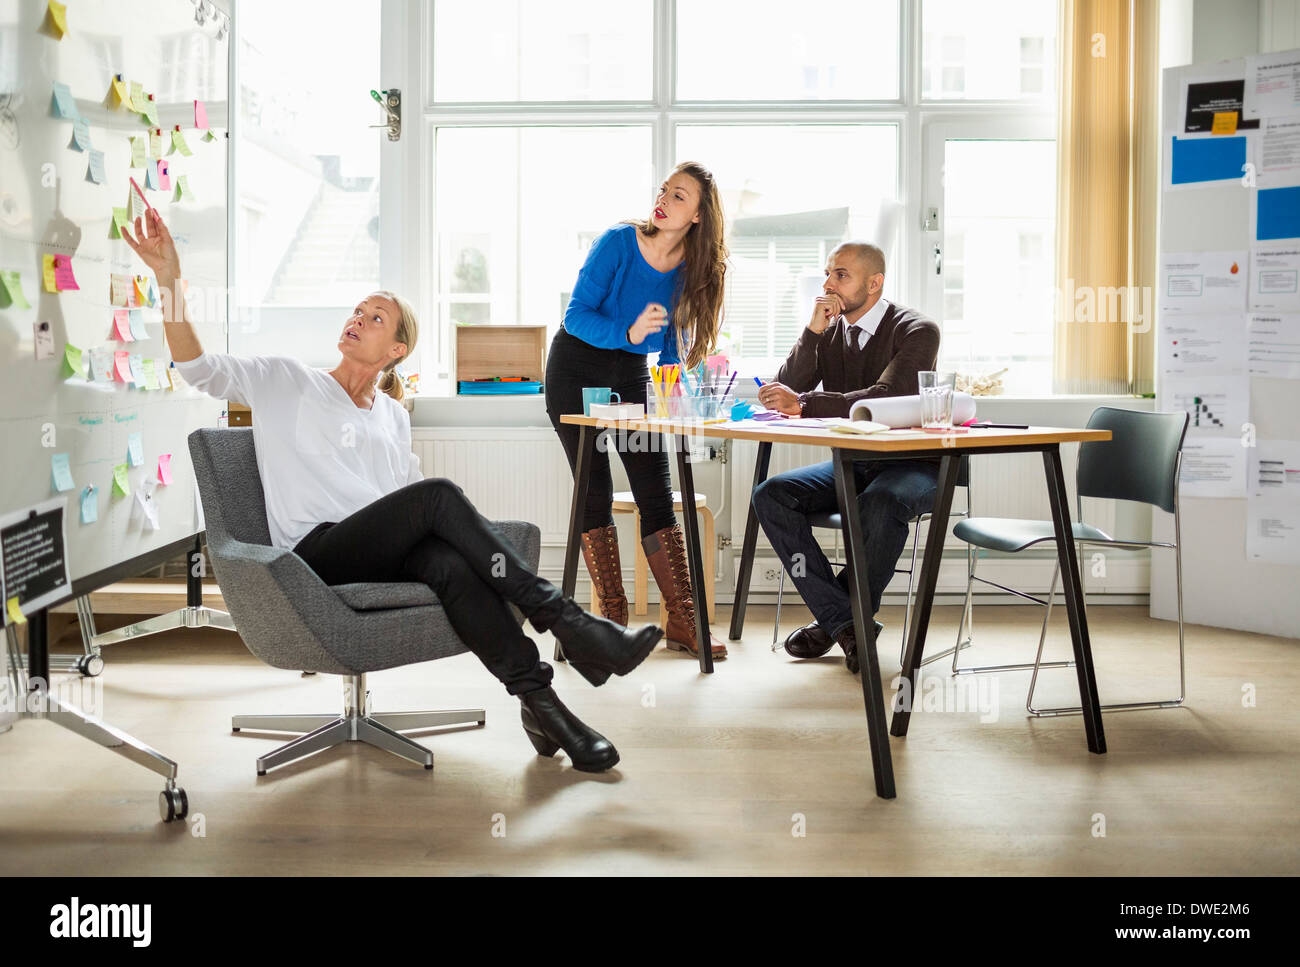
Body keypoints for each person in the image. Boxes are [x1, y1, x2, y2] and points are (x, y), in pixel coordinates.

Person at [121, 207, 662, 773]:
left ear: (397, 350)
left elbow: (410, 508)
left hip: (382, 552)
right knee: (437, 496)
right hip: (315, 554)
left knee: (448, 564)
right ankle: (571, 624)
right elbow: (198, 369)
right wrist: (169, 278)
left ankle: (544, 706)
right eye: (357, 311)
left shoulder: (391, 416)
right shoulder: (287, 380)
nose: (358, 318)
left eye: (375, 317)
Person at [544, 161, 730, 660]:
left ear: (697, 216)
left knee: (655, 487)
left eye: (680, 196)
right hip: (575, 370)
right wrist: (626, 333)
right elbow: (576, 314)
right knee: (595, 488)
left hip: (628, 375)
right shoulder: (618, 242)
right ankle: (611, 619)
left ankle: (684, 621)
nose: (665, 199)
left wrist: (672, 393)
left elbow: (671, 341)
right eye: (665, 190)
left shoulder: (691, 269)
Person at [751, 241, 940, 672]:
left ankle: (835, 623)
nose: (827, 284)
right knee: (771, 496)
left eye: (841, 275)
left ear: (875, 284)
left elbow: (887, 398)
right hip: (854, 462)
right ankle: (848, 625)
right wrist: (813, 332)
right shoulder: (832, 330)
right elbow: (788, 386)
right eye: (828, 273)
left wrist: (806, 403)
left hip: (915, 465)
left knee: (881, 501)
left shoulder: (917, 330)